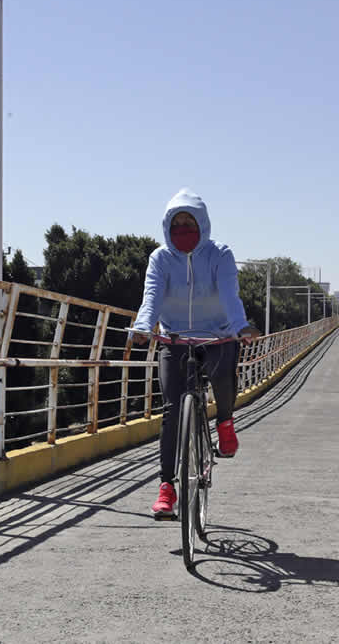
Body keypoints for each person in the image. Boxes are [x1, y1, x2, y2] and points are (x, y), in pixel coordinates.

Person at [131, 188, 260, 519]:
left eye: (190, 221)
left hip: (217, 336)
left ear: (203, 223)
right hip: (174, 339)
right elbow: (152, 298)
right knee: (172, 410)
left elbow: (231, 296)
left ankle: (226, 422)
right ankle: (166, 488)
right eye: (178, 222)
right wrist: (144, 328)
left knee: (223, 376)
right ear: (166, 226)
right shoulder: (160, 259)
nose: (184, 227)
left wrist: (239, 326)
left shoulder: (220, 255)